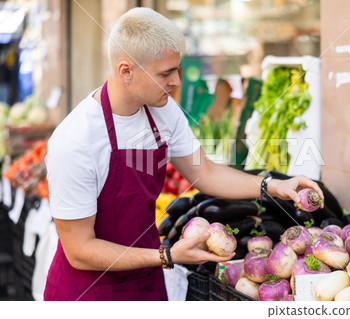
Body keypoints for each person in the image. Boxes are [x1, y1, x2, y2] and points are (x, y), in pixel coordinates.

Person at [43, 7, 324, 301]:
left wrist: (274, 186)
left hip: (146, 284)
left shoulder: (162, 111)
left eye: (177, 69)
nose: (177, 81)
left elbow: (207, 172)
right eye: (166, 73)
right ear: (126, 71)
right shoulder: (75, 141)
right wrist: (166, 255)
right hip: (87, 293)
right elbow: (80, 251)